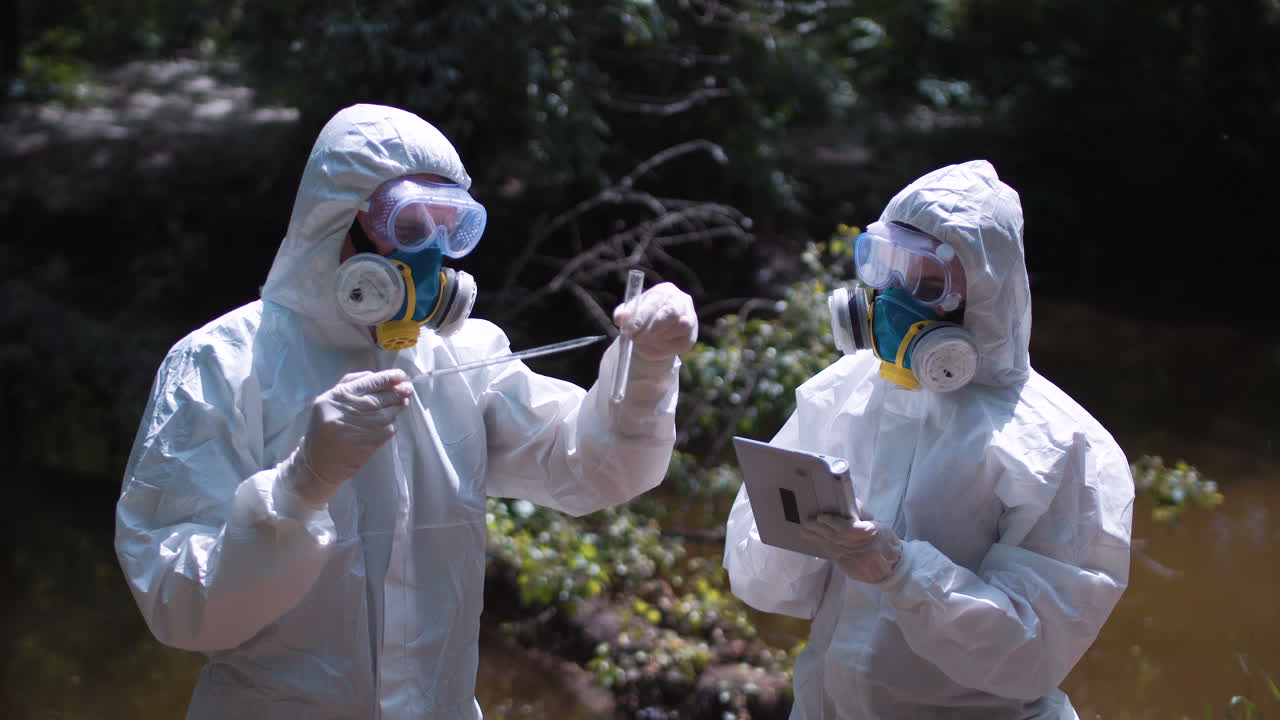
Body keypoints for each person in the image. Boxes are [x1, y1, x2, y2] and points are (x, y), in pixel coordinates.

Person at [115, 103, 698, 719]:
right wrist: (299, 487)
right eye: (409, 225)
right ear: (336, 220)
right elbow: (178, 605)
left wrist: (648, 369)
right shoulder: (223, 364)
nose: (432, 254)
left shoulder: (463, 356)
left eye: (451, 229)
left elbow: (589, 469)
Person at [723, 160, 1133, 719]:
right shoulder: (843, 392)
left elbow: (1029, 657)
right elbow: (764, 588)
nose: (894, 296)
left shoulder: (1060, 445)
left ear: (987, 293)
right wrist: (803, 536)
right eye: (885, 266)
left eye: (927, 281)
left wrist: (901, 572)